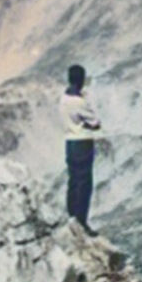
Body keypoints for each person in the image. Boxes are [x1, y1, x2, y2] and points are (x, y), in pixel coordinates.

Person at [61, 63, 102, 229]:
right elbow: (96, 122)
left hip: (69, 142)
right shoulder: (79, 103)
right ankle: (81, 221)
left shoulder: (63, 99)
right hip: (83, 142)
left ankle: (71, 215)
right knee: (85, 183)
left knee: (73, 181)